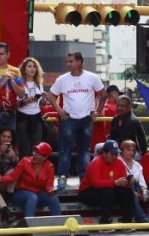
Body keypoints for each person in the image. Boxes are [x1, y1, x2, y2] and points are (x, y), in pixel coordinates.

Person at [45, 52, 105, 189]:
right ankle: (62, 178)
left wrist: (98, 111)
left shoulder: (92, 77)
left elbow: (103, 94)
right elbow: (51, 95)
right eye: (67, 61)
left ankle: (85, 179)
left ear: (80, 62)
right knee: (65, 150)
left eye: (71, 61)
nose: (68, 64)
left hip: (86, 119)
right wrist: (59, 111)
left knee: (84, 150)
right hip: (68, 119)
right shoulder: (62, 79)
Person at [78, 139, 135, 225]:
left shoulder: (119, 163)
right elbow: (96, 183)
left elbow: (122, 181)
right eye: (112, 154)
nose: (114, 157)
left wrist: (128, 182)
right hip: (87, 192)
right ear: (104, 153)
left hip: (108, 191)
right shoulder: (96, 163)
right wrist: (115, 183)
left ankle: (127, 221)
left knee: (128, 192)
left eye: (116, 154)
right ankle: (105, 221)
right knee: (107, 191)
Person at [0, 141, 61, 218]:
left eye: (38, 153)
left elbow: (49, 186)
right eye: (35, 151)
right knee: (32, 197)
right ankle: (29, 225)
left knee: (53, 197)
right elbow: (12, 176)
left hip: (38, 195)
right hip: (20, 194)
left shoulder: (49, 166)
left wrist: (53, 191)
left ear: (44, 157)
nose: (34, 154)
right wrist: (0, 179)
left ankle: (60, 223)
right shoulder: (25, 161)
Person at [120, 140, 149, 223]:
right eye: (128, 150)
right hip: (125, 190)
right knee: (132, 196)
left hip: (138, 189)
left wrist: (144, 191)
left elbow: (142, 181)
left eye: (133, 150)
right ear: (122, 150)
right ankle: (143, 220)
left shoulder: (137, 165)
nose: (131, 153)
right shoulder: (118, 162)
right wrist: (133, 192)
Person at [16, 57, 45, 157]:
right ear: (24, 69)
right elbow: (15, 103)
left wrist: (44, 98)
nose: (32, 69)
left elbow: (41, 104)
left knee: (36, 149)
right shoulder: (19, 83)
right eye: (29, 66)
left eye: (34, 67)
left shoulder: (39, 84)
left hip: (36, 117)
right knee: (24, 149)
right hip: (22, 118)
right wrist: (25, 101)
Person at [0, 127, 18, 225]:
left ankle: (9, 197)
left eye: (9, 137)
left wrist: (14, 158)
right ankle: (5, 212)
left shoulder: (14, 149)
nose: (6, 139)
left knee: (13, 171)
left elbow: (19, 169)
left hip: (7, 183)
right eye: (3, 136)